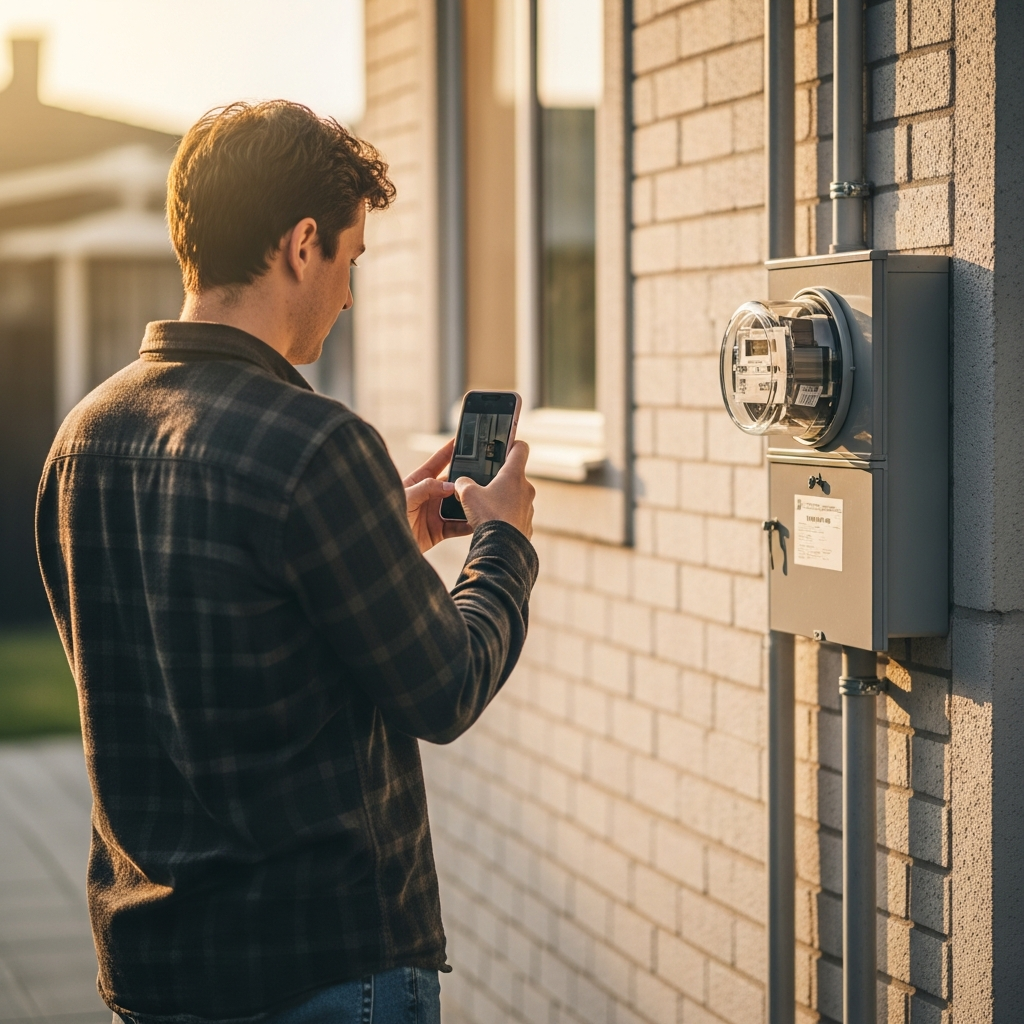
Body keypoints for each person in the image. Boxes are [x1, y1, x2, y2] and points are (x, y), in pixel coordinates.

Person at [35, 101, 537, 1024]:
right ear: (303, 245)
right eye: (351, 260)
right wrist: (504, 540)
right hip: (320, 970)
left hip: (153, 969)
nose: (347, 296)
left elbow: (195, 648)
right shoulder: (316, 446)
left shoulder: (81, 440)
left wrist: (379, 545)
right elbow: (446, 688)